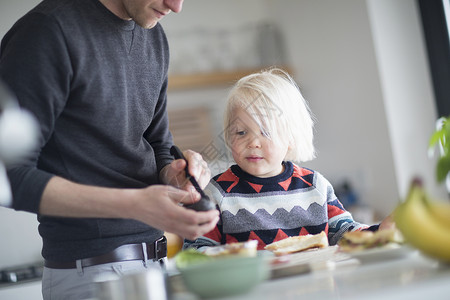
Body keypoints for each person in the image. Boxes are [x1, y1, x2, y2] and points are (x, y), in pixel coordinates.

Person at [0, 0, 219, 299]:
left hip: (157, 266)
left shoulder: (154, 36)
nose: (176, 6)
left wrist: (175, 176)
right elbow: (8, 175)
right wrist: (133, 203)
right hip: (92, 276)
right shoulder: (47, 31)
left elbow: (159, 146)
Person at [184, 67, 395, 251]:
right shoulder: (217, 192)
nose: (252, 142)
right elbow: (197, 249)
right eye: (240, 132)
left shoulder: (314, 185)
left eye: (265, 132)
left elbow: (345, 232)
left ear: (291, 138)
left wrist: (378, 232)